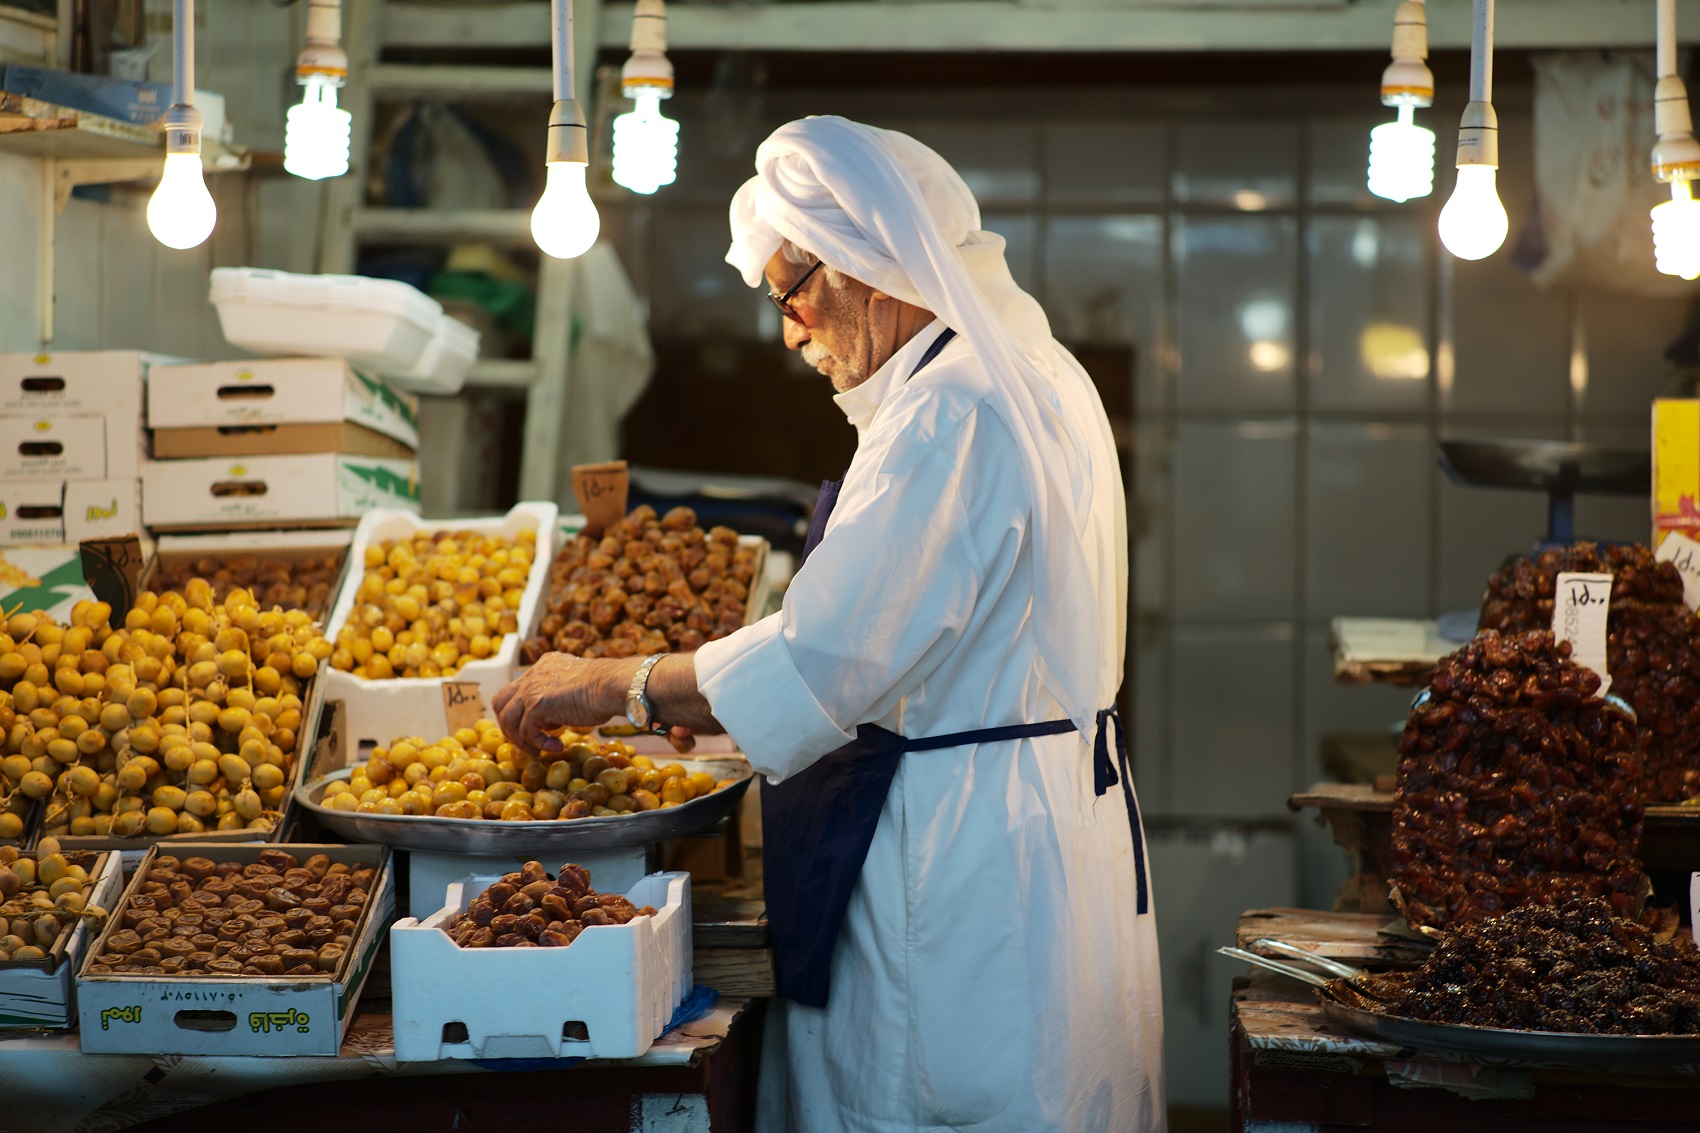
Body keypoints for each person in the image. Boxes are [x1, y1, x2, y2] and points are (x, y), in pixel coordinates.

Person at [493, 115, 1165, 1133]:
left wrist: (613, 683)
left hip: (957, 863)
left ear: (864, 267)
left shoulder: (951, 411)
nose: (788, 332)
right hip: (1032, 831)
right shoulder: (1033, 373)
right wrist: (709, 696)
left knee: (929, 1099)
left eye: (791, 295)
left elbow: (821, 659)